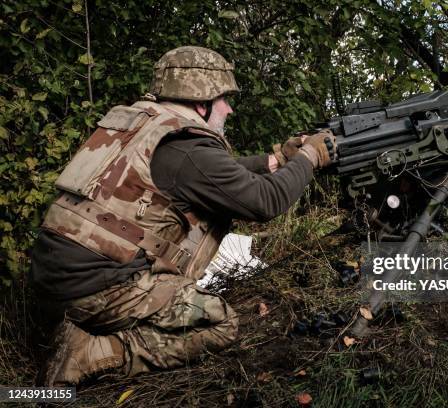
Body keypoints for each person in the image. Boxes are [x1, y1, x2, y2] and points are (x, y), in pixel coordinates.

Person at [30, 46, 336, 386]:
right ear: (201, 100)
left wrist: (277, 160)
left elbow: (212, 175)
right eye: (224, 100)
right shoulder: (190, 148)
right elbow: (266, 201)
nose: (230, 109)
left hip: (53, 279)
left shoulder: (147, 124)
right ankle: (91, 354)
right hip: (97, 291)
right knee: (221, 323)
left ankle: (77, 324)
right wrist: (310, 157)